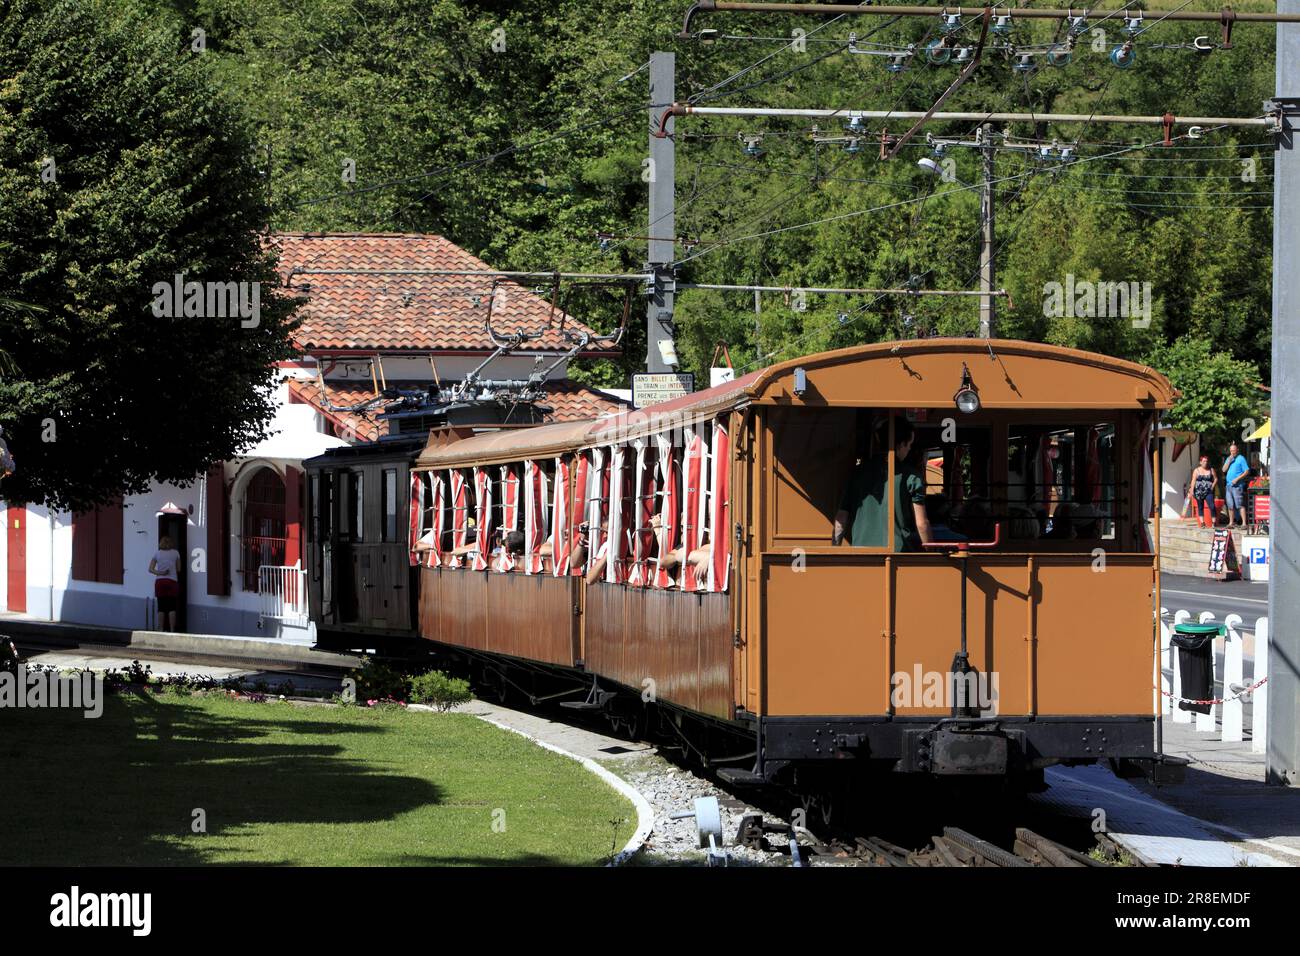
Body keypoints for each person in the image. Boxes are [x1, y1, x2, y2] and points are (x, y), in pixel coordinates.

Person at [833, 418, 933, 551]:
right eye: (909, 444)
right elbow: (922, 524)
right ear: (901, 444)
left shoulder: (857, 473)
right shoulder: (912, 477)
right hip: (898, 554)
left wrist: (835, 550)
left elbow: (841, 518)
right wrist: (931, 553)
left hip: (861, 553)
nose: (909, 449)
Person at [148, 534, 182, 632]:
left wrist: (161, 572)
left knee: (161, 606)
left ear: (161, 543)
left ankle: (161, 629)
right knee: (172, 606)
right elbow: (179, 569)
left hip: (160, 582)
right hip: (172, 581)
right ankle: (172, 629)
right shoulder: (176, 553)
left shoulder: (157, 554)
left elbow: (150, 569)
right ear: (171, 543)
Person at [1223, 442, 1250, 527]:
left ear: (1237, 450)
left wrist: (1237, 479)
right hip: (1228, 485)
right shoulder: (1229, 458)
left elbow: (1247, 471)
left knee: (1239, 504)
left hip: (1237, 486)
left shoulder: (1241, 458)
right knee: (1230, 505)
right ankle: (1231, 523)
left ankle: (1244, 523)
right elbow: (1223, 470)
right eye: (1231, 451)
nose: (1232, 452)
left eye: (1234, 451)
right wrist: (1229, 461)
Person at [1188, 454, 1217, 528]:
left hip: (1208, 491)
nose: (1205, 463)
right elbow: (1193, 481)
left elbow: (1216, 478)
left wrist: (1213, 486)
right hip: (1198, 491)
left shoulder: (1211, 469)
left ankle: (1214, 522)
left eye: (1206, 461)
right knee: (1200, 507)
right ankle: (1202, 523)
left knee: (1212, 506)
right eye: (1204, 461)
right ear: (1200, 462)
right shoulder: (1196, 470)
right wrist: (1191, 491)